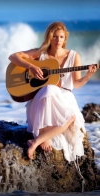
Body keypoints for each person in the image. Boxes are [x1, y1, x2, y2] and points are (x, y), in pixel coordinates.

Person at [8, 22, 97, 161]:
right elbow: (13, 57)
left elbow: (76, 84)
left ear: (65, 38)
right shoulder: (41, 54)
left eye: (61, 37)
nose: (58, 40)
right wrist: (30, 66)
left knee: (71, 117)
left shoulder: (73, 56)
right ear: (49, 37)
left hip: (65, 97)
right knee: (49, 88)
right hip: (43, 98)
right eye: (55, 36)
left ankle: (36, 141)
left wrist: (87, 76)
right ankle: (43, 133)